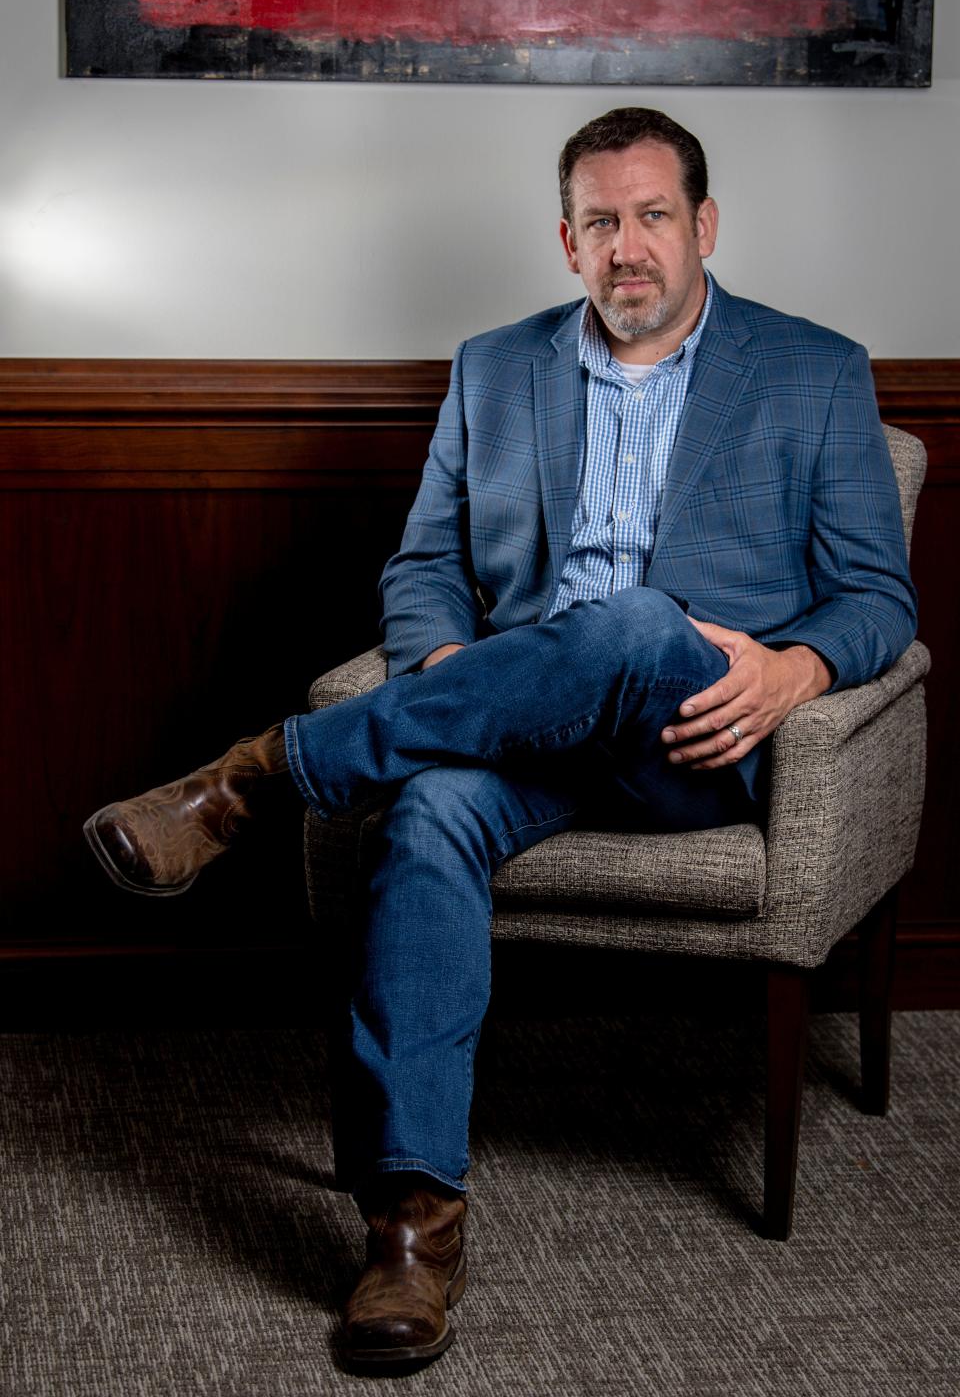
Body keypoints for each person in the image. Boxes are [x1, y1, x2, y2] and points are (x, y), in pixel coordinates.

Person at [83, 107, 916, 1372]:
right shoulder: (494, 368)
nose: (625, 246)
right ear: (565, 241)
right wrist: (445, 666)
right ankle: (412, 1230)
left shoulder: (814, 370)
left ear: (704, 226)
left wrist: (795, 666)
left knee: (633, 622)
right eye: (598, 222)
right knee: (425, 815)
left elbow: (878, 602)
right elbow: (425, 565)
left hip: (697, 734)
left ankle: (258, 780)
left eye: (650, 216)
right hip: (522, 730)